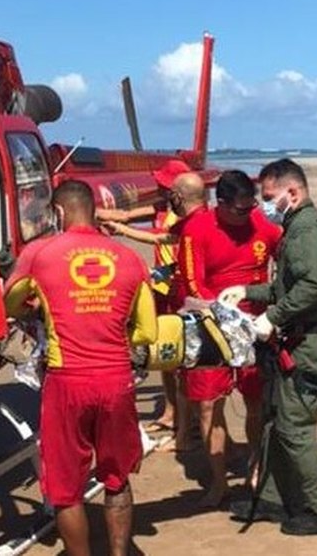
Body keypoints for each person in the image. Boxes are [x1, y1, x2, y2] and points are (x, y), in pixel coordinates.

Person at [5, 180, 157, 556]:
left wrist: (39, 302)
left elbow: (8, 304)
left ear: (58, 213)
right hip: (116, 380)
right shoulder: (129, 258)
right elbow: (148, 331)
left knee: (65, 487)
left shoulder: (40, 254)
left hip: (67, 382)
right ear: (93, 210)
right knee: (117, 478)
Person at [219, 158, 317, 537]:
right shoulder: (298, 226)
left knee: (294, 427)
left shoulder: (306, 229)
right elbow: (288, 287)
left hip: (315, 339)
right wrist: (248, 291)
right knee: (276, 420)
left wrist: (272, 317)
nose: (264, 205)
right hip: (307, 336)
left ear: (291, 193)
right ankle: (274, 498)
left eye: (267, 197)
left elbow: (311, 288)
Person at [175, 169, 281, 508]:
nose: (245, 215)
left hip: (256, 327)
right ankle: (219, 482)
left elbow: (287, 262)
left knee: (256, 404)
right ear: (219, 204)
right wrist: (224, 318)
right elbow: (192, 284)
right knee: (208, 405)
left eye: (250, 208)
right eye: (238, 209)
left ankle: (255, 467)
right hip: (212, 328)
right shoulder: (197, 229)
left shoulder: (262, 225)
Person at [103, 171, 207, 453]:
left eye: (166, 186)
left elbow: (163, 238)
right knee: (163, 355)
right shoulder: (163, 206)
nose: (162, 189)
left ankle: (186, 429)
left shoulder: (189, 218)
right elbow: (126, 216)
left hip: (176, 287)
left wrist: (121, 230)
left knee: (179, 360)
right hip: (163, 286)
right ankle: (172, 414)